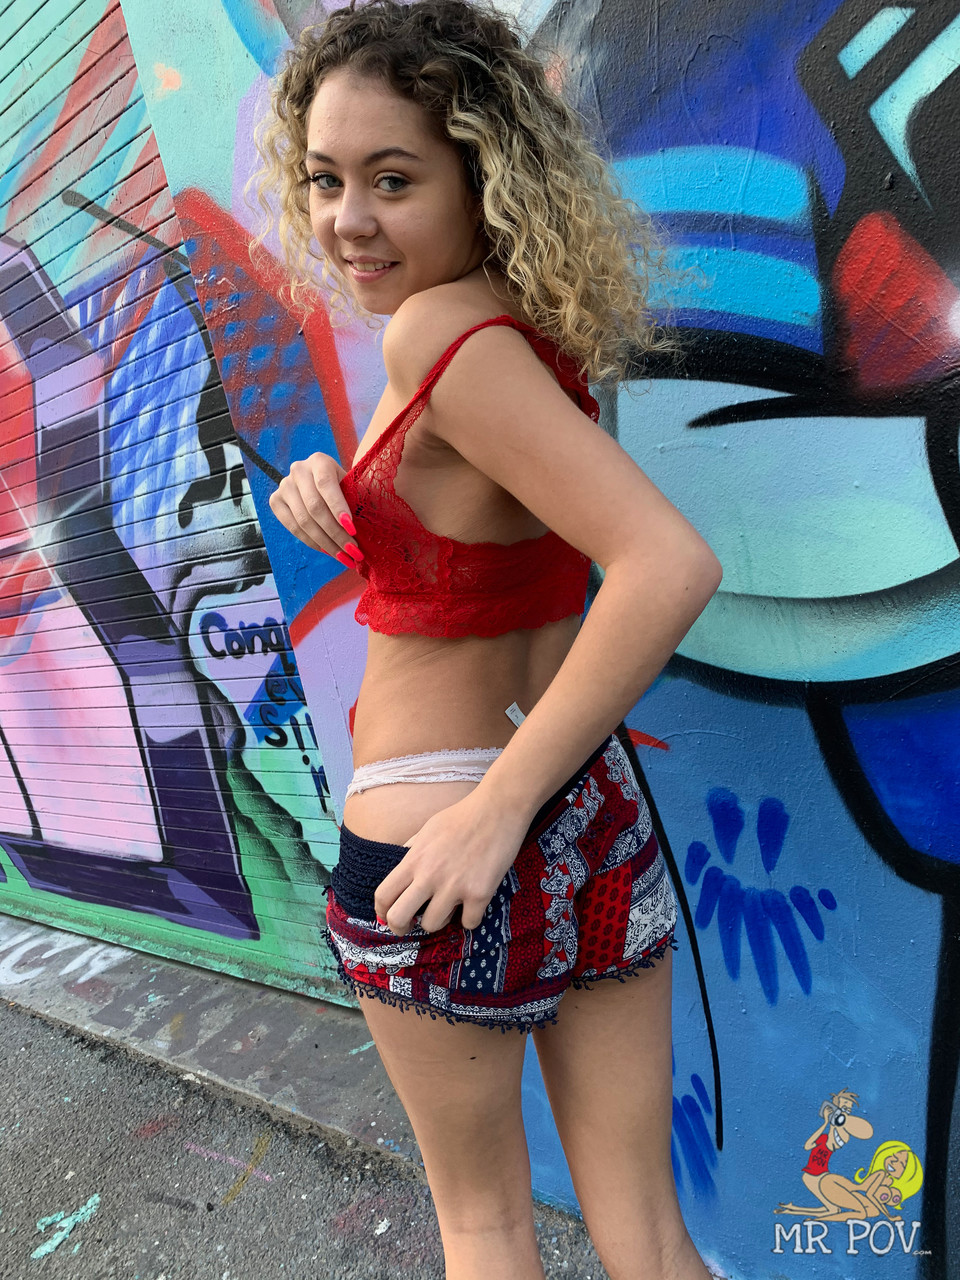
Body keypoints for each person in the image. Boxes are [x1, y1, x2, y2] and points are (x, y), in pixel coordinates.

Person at [257, 1, 723, 1276]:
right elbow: (481, 548)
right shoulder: (516, 330)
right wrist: (338, 491)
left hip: (444, 829)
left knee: (486, 1222)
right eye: (326, 179)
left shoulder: (434, 335)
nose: (347, 219)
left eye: (392, 180)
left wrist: (494, 810)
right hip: (590, 805)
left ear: (481, 172)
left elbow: (669, 563)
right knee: (647, 1228)